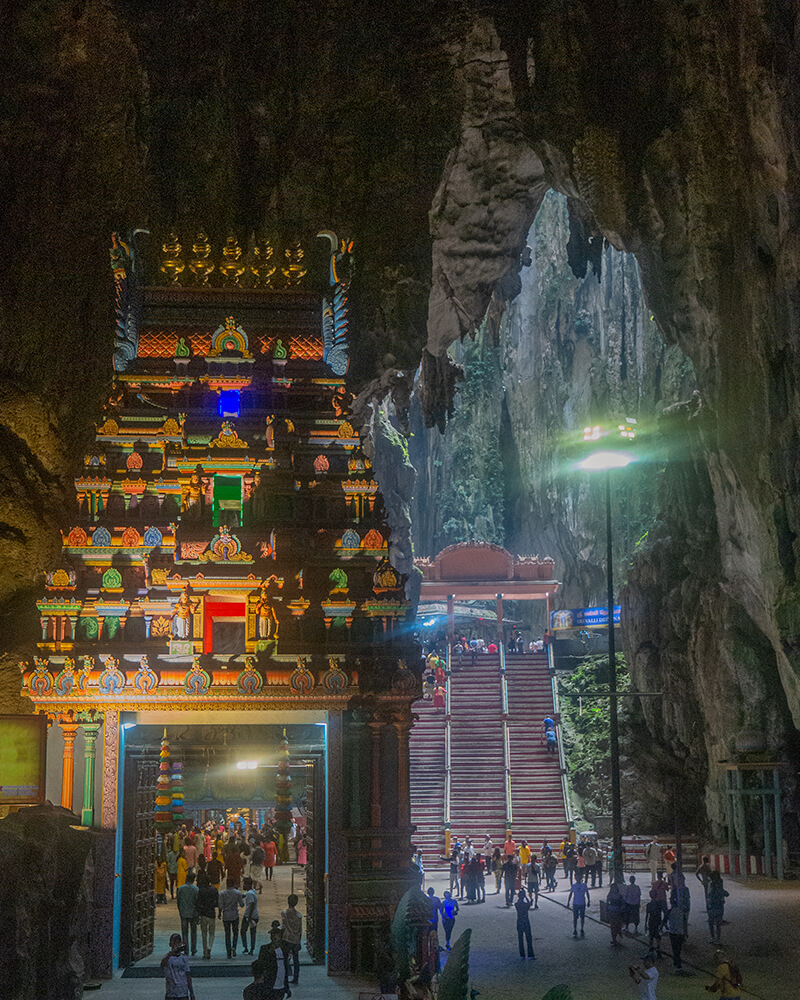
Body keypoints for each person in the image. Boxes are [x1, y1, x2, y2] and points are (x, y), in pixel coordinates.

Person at [161, 933, 194, 1000]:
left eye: (178, 942)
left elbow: (188, 976)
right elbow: (162, 964)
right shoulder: (167, 957)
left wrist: (191, 992)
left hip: (183, 992)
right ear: (170, 944)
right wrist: (171, 953)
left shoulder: (184, 958)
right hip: (171, 992)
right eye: (174, 942)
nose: (176, 944)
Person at [219, 877, 244, 958]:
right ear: (233, 884)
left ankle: (228, 952)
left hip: (226, 915)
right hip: (235, 915)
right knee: (235, 933)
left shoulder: (222, 893)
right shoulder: (237, 893)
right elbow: (242, 904)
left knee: (227, 934)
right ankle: (234, 947)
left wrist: (219, 913)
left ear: (226, 884)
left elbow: (220, 905)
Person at [196, 872, 218, 960]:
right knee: (212, 933)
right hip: (211, 913)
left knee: (204, 933)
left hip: (203, 914)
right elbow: (217, 902)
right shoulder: (214, 890)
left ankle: (205, 951)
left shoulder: (200, 890)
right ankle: (209, 947)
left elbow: (198, 903)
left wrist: (198, 914)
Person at [176, 871, 199, 957]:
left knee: (184, 932)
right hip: (193, 913)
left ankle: (186, 950)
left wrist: (180, 910)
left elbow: (178, 901)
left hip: (184, 912)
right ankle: (193, 949)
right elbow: (197, 902)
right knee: (193, 932)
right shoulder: (196, 889)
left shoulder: (181, 889)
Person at [281, 893, 302, 984]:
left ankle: (285, 976)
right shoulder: (299, 915)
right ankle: (296, 977)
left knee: (285, 959)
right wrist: (299, 940)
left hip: (287, 938)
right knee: (296, 959)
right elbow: (300, 929)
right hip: (296, 939)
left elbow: (283, 926)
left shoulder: (285, 913)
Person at [706, 872, 729, 945]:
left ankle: (713, 938)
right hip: (720, 904)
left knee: (711, 922)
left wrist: (708, 905)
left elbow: (709, 895)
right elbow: (724, 892)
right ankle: (718, 939)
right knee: (718, 923)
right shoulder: (720, 883)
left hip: (713, 905)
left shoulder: (711, 884)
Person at [514, 887, 535, 959]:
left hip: (519, 922)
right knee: (529, 939)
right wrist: (526, 897)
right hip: (526, 922)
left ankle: (522, 955)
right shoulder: (526, 905)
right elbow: (530, 903)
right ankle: (530, 955)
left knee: (520, 939)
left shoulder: (516, 904)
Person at [241, 876, 260, 955]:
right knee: (253, 933)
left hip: (249, 916)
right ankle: (252, 948)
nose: (243, 886)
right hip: (255, 915)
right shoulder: (253, 891)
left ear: (247, 885)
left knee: (243, 931)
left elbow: (251, 904)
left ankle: (246, 947)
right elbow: (244, 895)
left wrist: (248, 917)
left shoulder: (249, 894)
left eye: (244, 884)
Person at [666, 901, 686, 972]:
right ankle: (677, 964)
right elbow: (684, 922)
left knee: (675, 949)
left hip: (673, 933)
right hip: (680, 933)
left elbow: (665, 920)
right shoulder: (681, 911)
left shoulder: (670, 911)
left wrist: (662, 927)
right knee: (678, 949)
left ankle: (677, 965)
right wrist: (685, 933)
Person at [645, 891, 663, 957]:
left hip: (651, 921)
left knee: (651, 936)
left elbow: (647, 915)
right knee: (658, 936)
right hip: (657, 921)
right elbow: (660, 914)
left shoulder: (649, 905)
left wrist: (645, 923)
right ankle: (658, 948)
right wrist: (661, 923)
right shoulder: (659, 904)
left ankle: (650, 949)